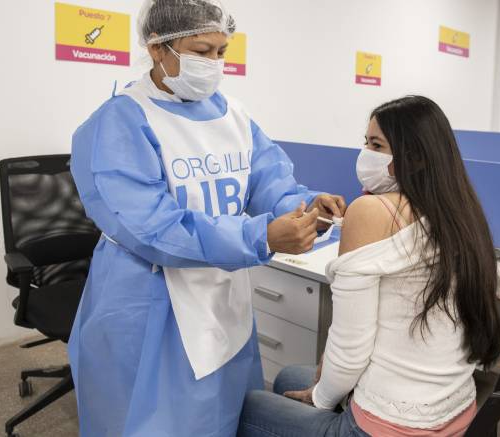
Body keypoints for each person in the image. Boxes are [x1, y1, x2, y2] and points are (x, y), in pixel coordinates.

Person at [67, 1, 348, 435]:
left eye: (222, 51)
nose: (215, 63)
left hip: (220, 286)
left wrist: (306, 205)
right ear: (157, 48)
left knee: (220, 409)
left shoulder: (233, 115)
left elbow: (267, 181)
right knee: (147, 417)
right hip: (148, 295)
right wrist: (260, 235)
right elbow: (151, 226)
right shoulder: (119, 121)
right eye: (202, 50)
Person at [238, 96, 500, 437]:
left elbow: (351, 347)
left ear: (415, 156)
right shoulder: (461, 213)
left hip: (389, 426)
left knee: (250, 408)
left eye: (376, 145)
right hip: (455, 412)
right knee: (289, 378)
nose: (365, 153)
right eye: (365, 142)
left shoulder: (372, 210)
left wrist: (319, 398)